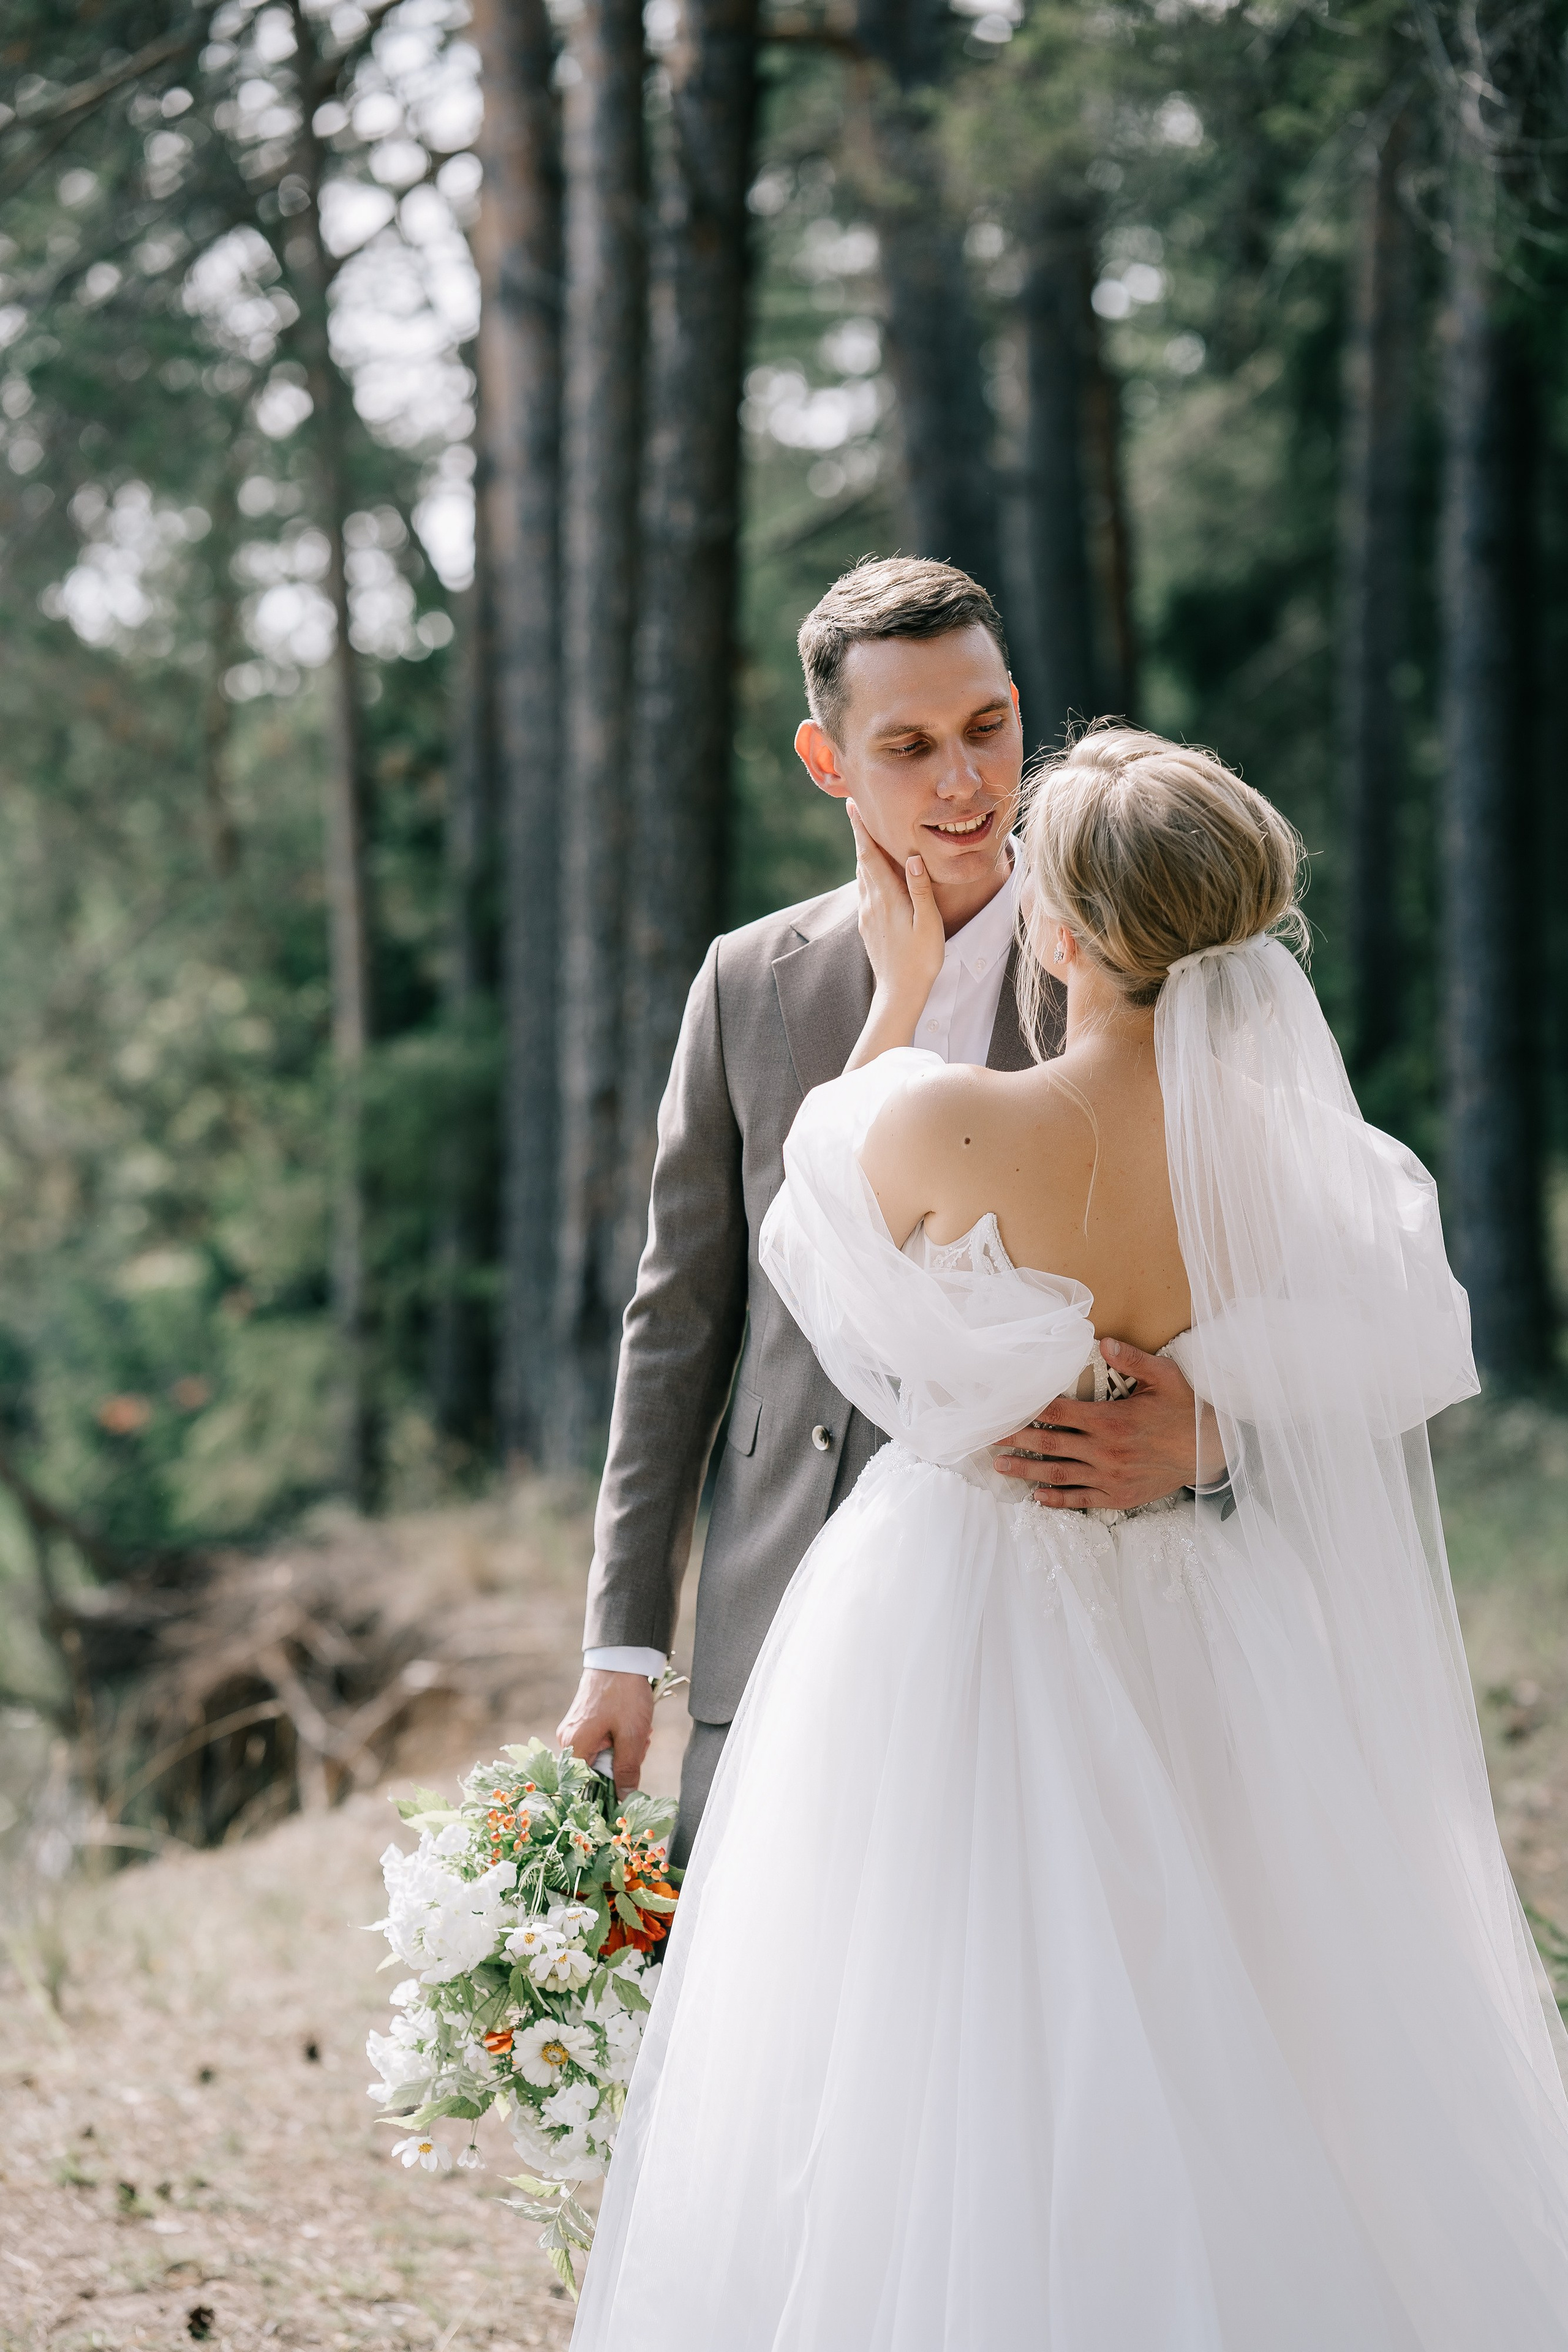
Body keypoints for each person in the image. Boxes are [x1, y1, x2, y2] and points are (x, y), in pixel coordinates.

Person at [570, 725, 1568, 2348]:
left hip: (954, 1613)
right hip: (1212, 1610)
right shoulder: (1319, 1165)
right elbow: (1409, 1346)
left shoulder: (940, 1124)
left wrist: (893, 1001)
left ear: (1055, 927)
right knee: (1253, 2000)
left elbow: (809, 1240)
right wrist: (1219, 1414)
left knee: (937, 2022)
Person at [557, 559, 1222, 1861]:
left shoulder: (1150, 959)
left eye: (986, 728)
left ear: (1019, 706)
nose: (965, 783)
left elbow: (1284, 1260)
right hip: (778, 1612)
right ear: (827, 761)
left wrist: (1215, 1438)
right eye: (908, 747)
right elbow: (679, 1321)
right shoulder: (749, 982)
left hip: (1059, 1625)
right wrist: (624, 1641)